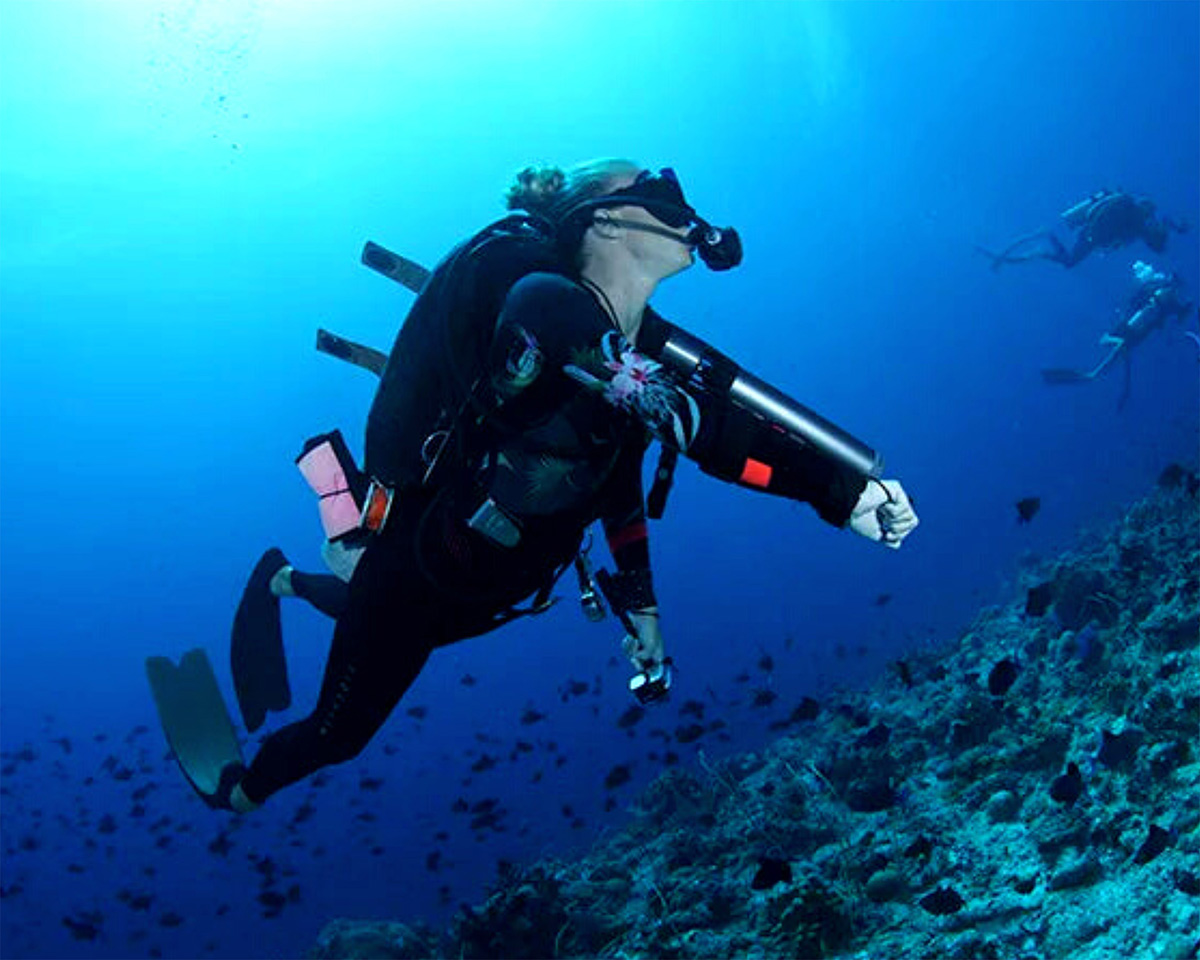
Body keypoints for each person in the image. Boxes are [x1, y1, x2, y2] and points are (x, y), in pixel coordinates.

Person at [207, 159, 920, 813]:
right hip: (418, 577)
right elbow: (689, 421)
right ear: (606, 219)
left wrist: (644, 616)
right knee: (339, 736)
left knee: (393, 626)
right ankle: (239, 789)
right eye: (653, 183)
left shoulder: (621, 345)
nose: (675, 192)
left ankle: (285, 582)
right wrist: (837, 491)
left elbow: (619, 488)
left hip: (488, 588)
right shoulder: (543, 302)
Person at [1042, 260, 1195, 405]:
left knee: (1113, 356)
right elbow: (1169, 313)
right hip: (1132, 331)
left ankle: (1089, 375)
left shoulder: (1165, 296)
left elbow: (1171, 315)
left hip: (1133, 331)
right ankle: (1094, 373)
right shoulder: (1162, 292)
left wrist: (1184, 310)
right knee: (1118, 352)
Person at [977, 189, 1188, 270]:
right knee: (1069, 262)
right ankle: (1041, 247)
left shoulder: (1137, 215)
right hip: (1092, 237)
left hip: (1091, 230)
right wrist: (1176, 227)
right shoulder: (1139, 224)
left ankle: (1043, 240)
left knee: (1069, 260)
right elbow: (1157, 226)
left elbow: (1162, 223)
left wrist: (1177, 227)